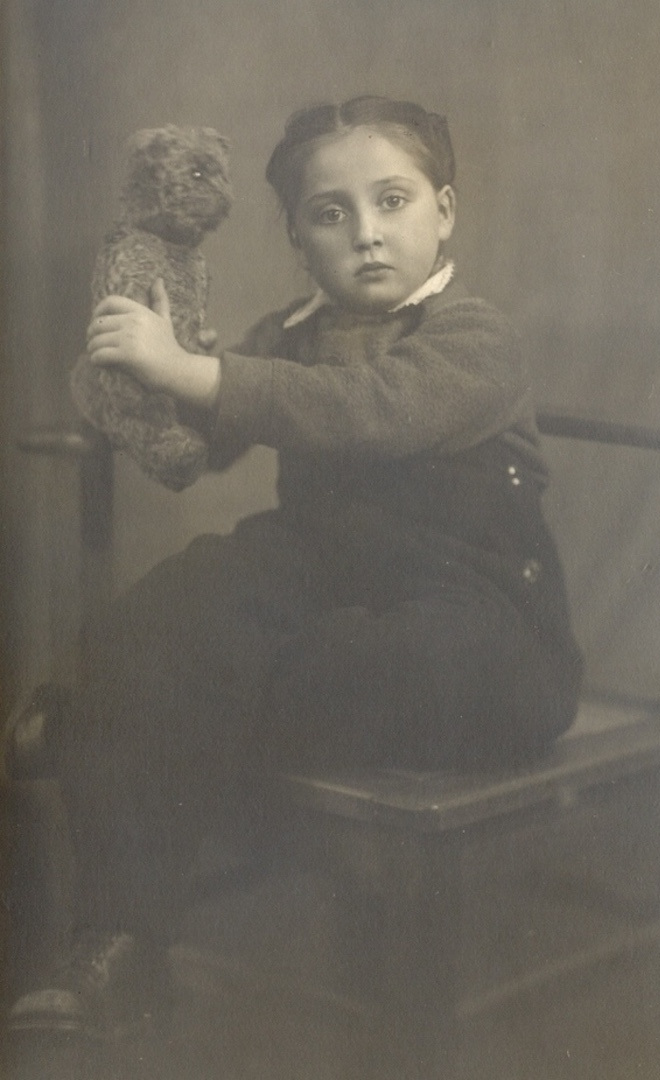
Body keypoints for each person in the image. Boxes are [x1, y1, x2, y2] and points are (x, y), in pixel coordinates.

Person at [7, 95, 582, 1050]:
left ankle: (109, 721)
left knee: (377, 664)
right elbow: (204, 444)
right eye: (331, 214)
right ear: (296, 237)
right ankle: (118, 945)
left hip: (477, 606)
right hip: (319, 568)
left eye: (392, 201)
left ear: (444, 210)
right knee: (164, 616)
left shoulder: (474, 338)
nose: (366, 235)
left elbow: (371, 409)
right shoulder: (288, 332)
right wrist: (143, 379)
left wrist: (202, 376)